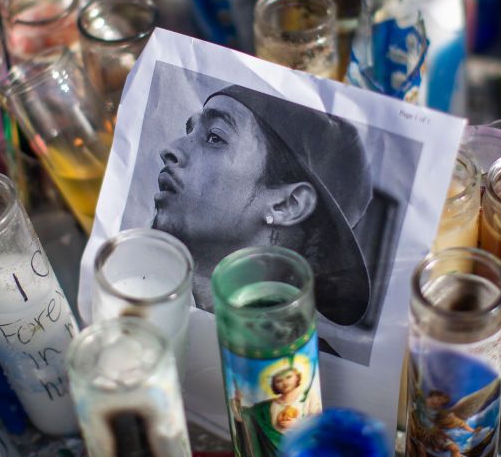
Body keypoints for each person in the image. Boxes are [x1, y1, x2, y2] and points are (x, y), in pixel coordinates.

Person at [151, 84, 373, 326]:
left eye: (214, 137)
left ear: (287, 204)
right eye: (190, 130)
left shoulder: (296, 361)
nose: (170, 150)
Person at [231, 367, 322, 457]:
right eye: (279, 380)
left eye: (288, 377)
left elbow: (318, 424)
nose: (285, 382)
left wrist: (296, 425)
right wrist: (238, 403)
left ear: (297, 377)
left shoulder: (308, 397)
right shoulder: (266, 407)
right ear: (274, 384)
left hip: (299, 456)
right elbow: (247, 416)